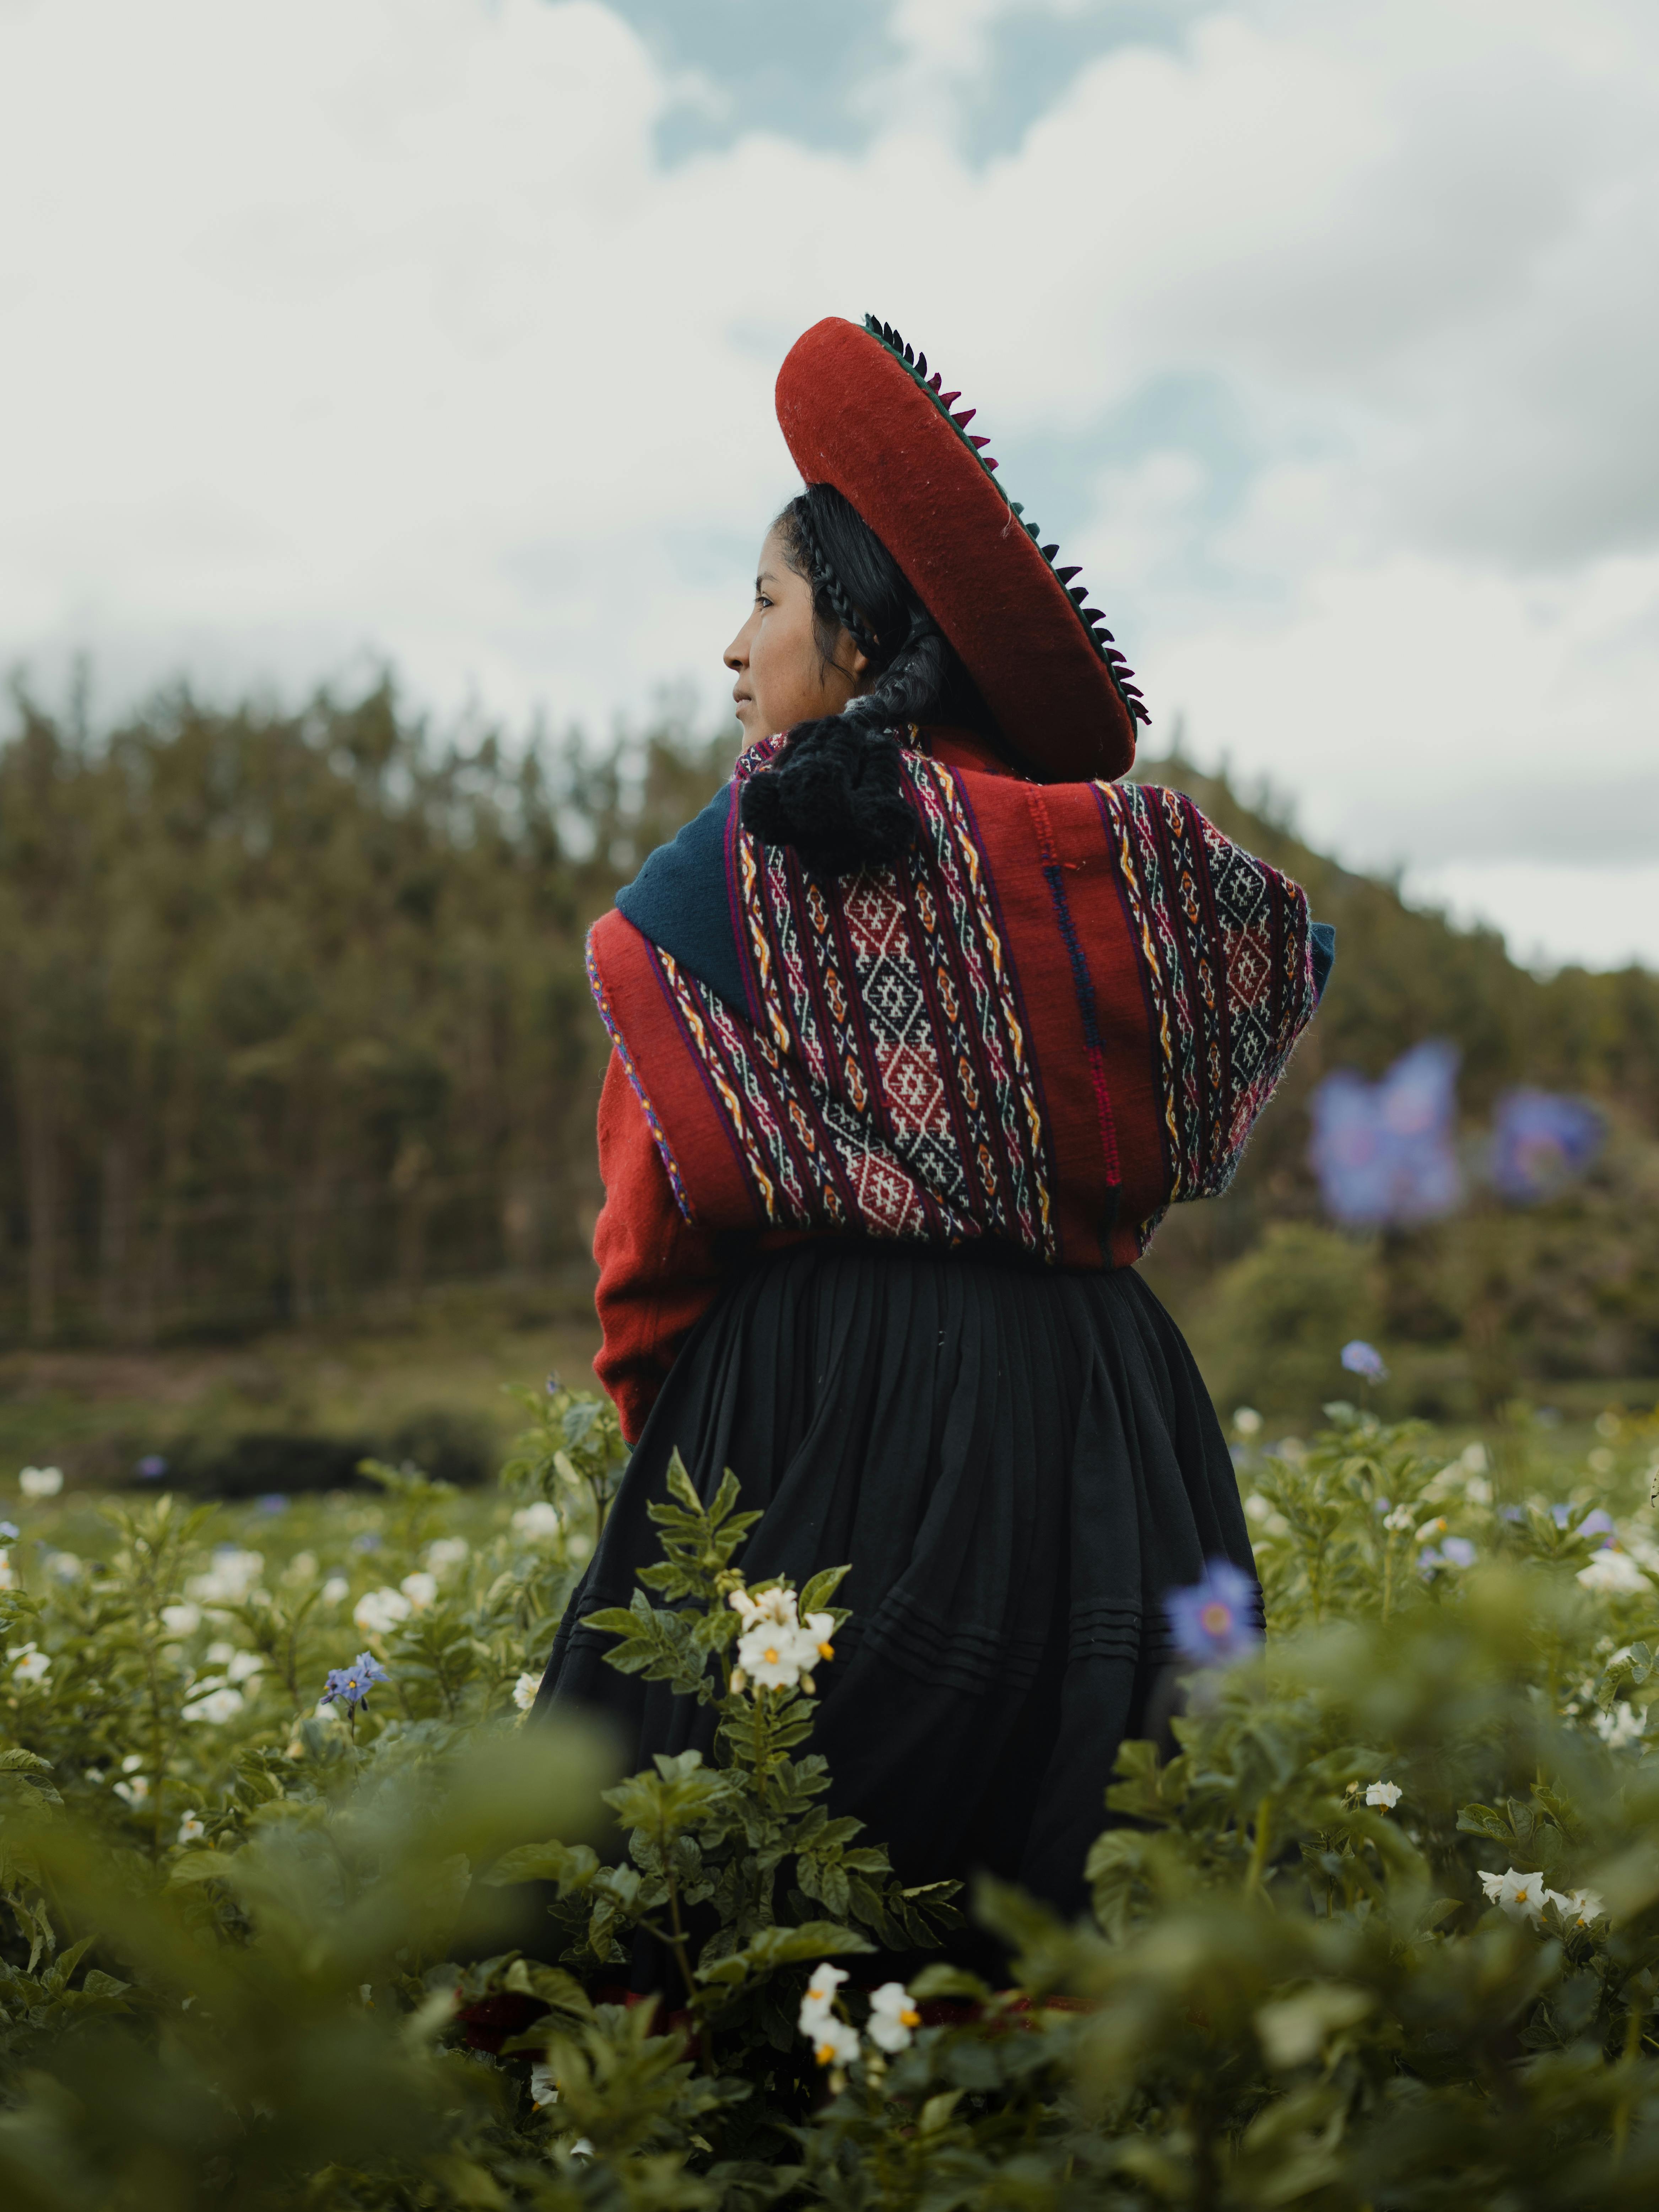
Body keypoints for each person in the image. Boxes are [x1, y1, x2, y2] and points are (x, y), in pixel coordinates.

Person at [534, 313, 1332, 1952]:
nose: (735, 651)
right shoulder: (1134, 862)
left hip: (827, 1400)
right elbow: (1272, 964)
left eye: (764, 599)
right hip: (1114, 1418)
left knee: (755, 1888)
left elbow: (651, 1242)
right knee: (1095, 1886)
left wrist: (679, 1444)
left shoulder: (732, 878)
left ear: (859, 633)